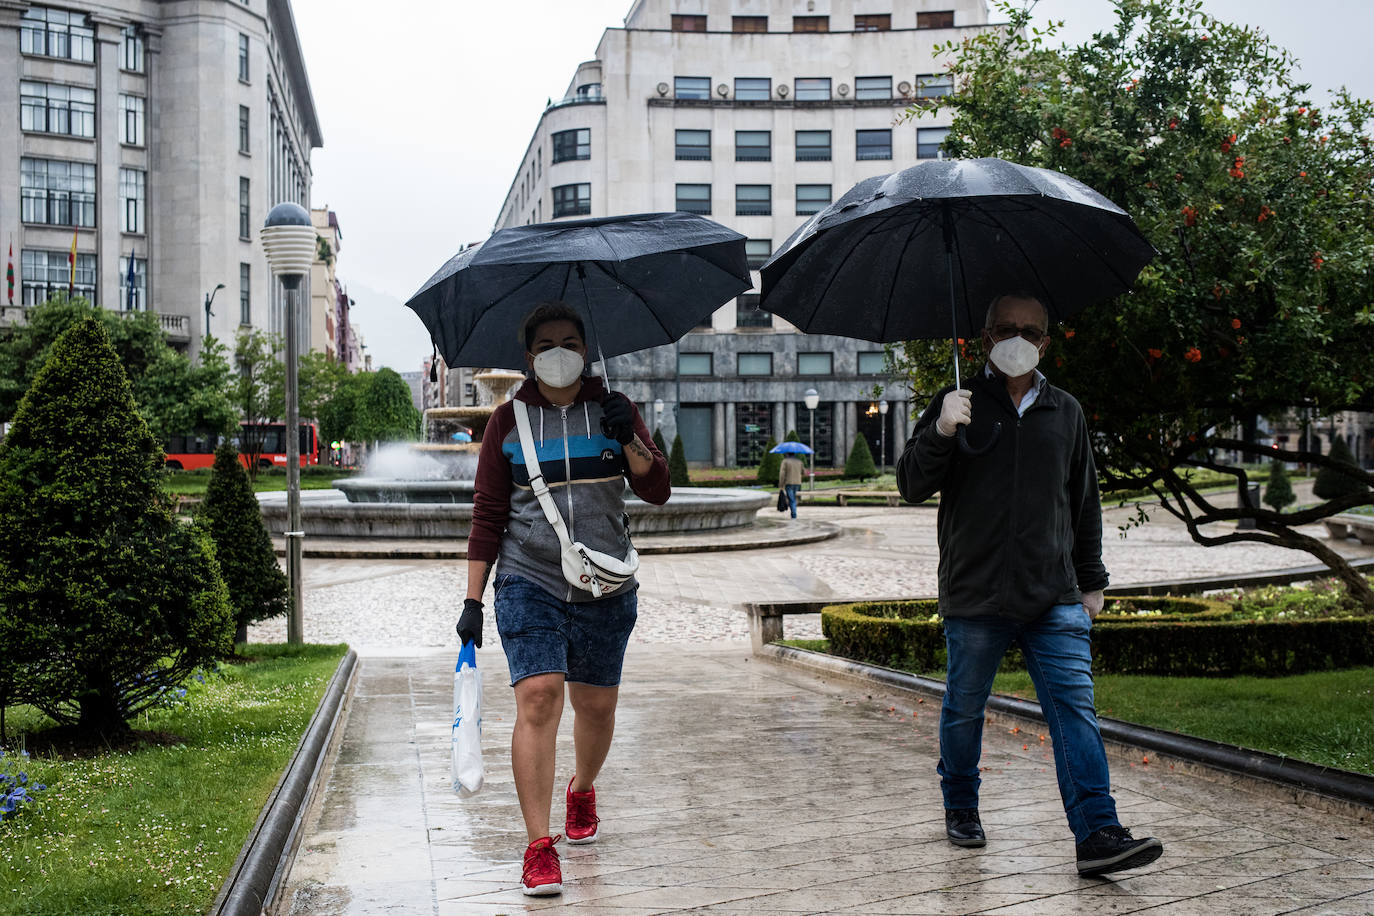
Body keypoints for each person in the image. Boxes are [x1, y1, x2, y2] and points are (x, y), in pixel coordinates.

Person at [895, 292, 1163, 878]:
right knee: (965, 709)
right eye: (1005, 328)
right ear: (985, 337)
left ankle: (1097, 833)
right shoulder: (957, 403)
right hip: (975, 594)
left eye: (1031, 330)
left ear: (1046, 341)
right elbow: (911, 484)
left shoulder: (1065, 410)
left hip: (1053, 595)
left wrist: (1091, 583)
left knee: (1075, 710)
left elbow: (1083, 501)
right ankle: (961, 803)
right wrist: (941, 429)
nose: (1018, 338)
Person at [456, 302, 670, 897]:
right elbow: (488, 515)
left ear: (584, 347)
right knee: (540, 697)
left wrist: (628, 435)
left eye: (570, 341)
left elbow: (657, 488)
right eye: (547, 343)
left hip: (605, 581)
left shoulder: (614, 410)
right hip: (530, 579)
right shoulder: (507, 422)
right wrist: (473, 600)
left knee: (595, 707)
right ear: (529, 357)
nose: (559, 352)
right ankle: (537, 846)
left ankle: (581, 790)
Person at [778, 453, 804, 518]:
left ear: (787, 454)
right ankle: (793, 513)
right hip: (797, 483)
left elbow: (782, 474)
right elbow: (803, 472)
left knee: (792, 499)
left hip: (789, 482)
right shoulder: (799, 461)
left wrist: (781, 484)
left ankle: (794, 514)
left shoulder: (785, 461)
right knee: (792, 498)